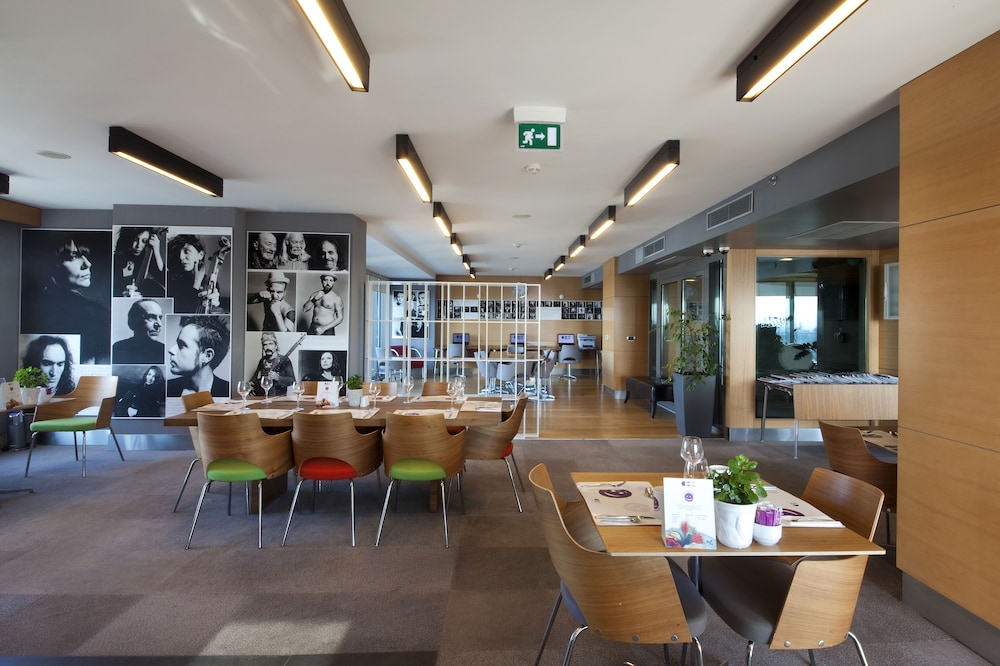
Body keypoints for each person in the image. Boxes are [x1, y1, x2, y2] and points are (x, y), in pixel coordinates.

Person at [25, 236, 111, 364]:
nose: (87, 264)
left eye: (85, 256)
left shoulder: (42, 304)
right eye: (73, 257)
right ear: (51, 264)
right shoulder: (87, 314)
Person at [166, 315, 230, 397]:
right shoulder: (165, 388)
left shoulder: (229, 391)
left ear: (207, 356)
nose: (171, 350)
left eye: (181, 345)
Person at [166, 234, 224, 314]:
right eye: (177, 252)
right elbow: (182, 312)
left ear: (200, 255)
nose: (181, 257)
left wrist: (215, 306)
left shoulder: (210, 282)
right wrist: (196, 284)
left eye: (187, 251)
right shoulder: (170, 280)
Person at [112, 227, 165, 297]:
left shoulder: (147, 262)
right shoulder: (114, 260)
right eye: (135, 240)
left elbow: (163, 277)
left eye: (144, 241)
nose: (138, 246)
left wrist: (156, 250)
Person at [112, 299, 165, 364]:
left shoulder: (164, 351)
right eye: (151, 317)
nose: (159, 324)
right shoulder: (118, 348)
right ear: (134, 321)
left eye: (160, 318)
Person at [249, 331, 296, 397]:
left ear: (276, 346)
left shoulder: (284, 360)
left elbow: (292, 381)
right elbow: (255, 378)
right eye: (265, 345)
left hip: (279, 399)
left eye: (270, 344)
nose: (267, 347)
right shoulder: (262, 360)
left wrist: (278, 378)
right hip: (263, 398)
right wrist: (250, 385)